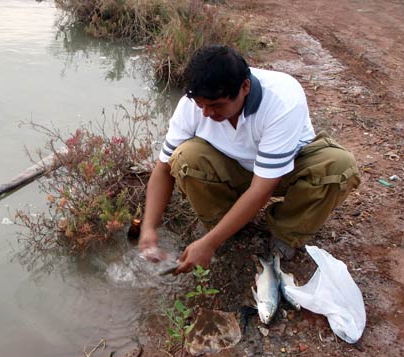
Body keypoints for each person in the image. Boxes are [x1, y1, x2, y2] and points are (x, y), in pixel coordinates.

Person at [139, 45, 360, 274]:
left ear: (245, 87)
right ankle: (225, 226)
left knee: (339, 167)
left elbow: (261, 190)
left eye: (216, 105)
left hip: (286, 172)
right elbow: (163, 170)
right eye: (201, 105)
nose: (206, 113)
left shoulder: (282, 100)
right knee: (184, 157)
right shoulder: (192, 105)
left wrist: (209, 243)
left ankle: (286, 232)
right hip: (232, 169)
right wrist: (148, 228)